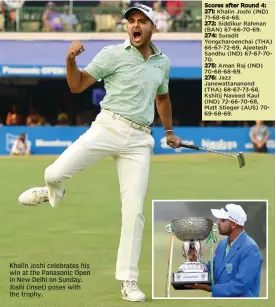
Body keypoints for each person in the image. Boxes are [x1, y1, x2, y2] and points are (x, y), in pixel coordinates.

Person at [18, 4, 181, 302]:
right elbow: (77, 85)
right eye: (131, 21)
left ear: (153, 28)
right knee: (53, 173)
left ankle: (128, 280)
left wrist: (169, 131)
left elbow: (163, 98)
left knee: (134, 212)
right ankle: (52, 192)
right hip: (107, 127)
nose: (135, 25)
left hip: (139, 140)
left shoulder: (163, 63)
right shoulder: (111, 54)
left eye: (142, 21)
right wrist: (70, 60)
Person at [186, 203, 263, 297]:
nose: (218, 222)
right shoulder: (222, 244)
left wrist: (211, 289)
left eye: (222, 220)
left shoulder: (251, 249)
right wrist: (195, 261)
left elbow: (240, 286)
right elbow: (210, 271)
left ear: (233, 224)